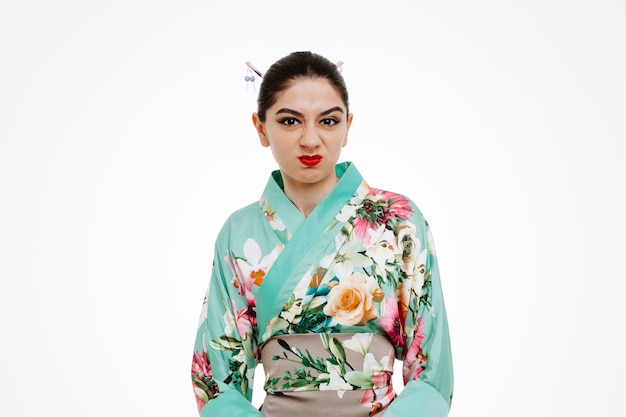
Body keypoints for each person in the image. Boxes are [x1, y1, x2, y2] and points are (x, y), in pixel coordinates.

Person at [191, 51, 453, 417]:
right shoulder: (239, 232)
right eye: (290, 121)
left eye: (328, 121)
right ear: (261, 128)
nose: (311, 140)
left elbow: (431, 373)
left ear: (348, 125)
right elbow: (218, 383)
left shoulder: (399, 221)